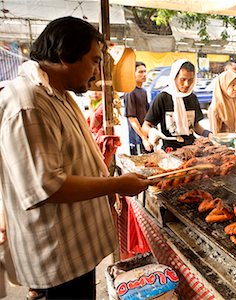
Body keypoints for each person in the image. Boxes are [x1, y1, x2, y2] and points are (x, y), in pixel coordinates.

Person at [0, 17, 152, 299]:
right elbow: (46, 187)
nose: (97, 71)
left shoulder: (58, 94)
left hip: (75, 249)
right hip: (57, 257)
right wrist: (116, 185)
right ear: (64, 54)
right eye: (94, 61)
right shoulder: (28, 103)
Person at [142, 59, 211, 151]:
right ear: (174, 77)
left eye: (190, 80)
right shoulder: (163, 98)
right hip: (170, 150)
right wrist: (151, 131)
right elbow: (146, 125)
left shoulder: (192, 97)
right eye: (182, 80)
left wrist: (209, 134)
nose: (186, 84)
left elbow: (195, 126)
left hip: (191, 148)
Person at [209, 70, 236, 137]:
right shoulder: (216, 108)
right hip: (224, 145)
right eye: (232, 85)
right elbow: (215, 135)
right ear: (223, 86)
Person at [124, 61, 151, 155]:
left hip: (147, 136)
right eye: (140, 72)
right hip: (138, 139)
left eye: (145, 71)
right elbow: (131, 118)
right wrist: (143, 138)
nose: (144, 74)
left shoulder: (143, 91)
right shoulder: (130, 91)